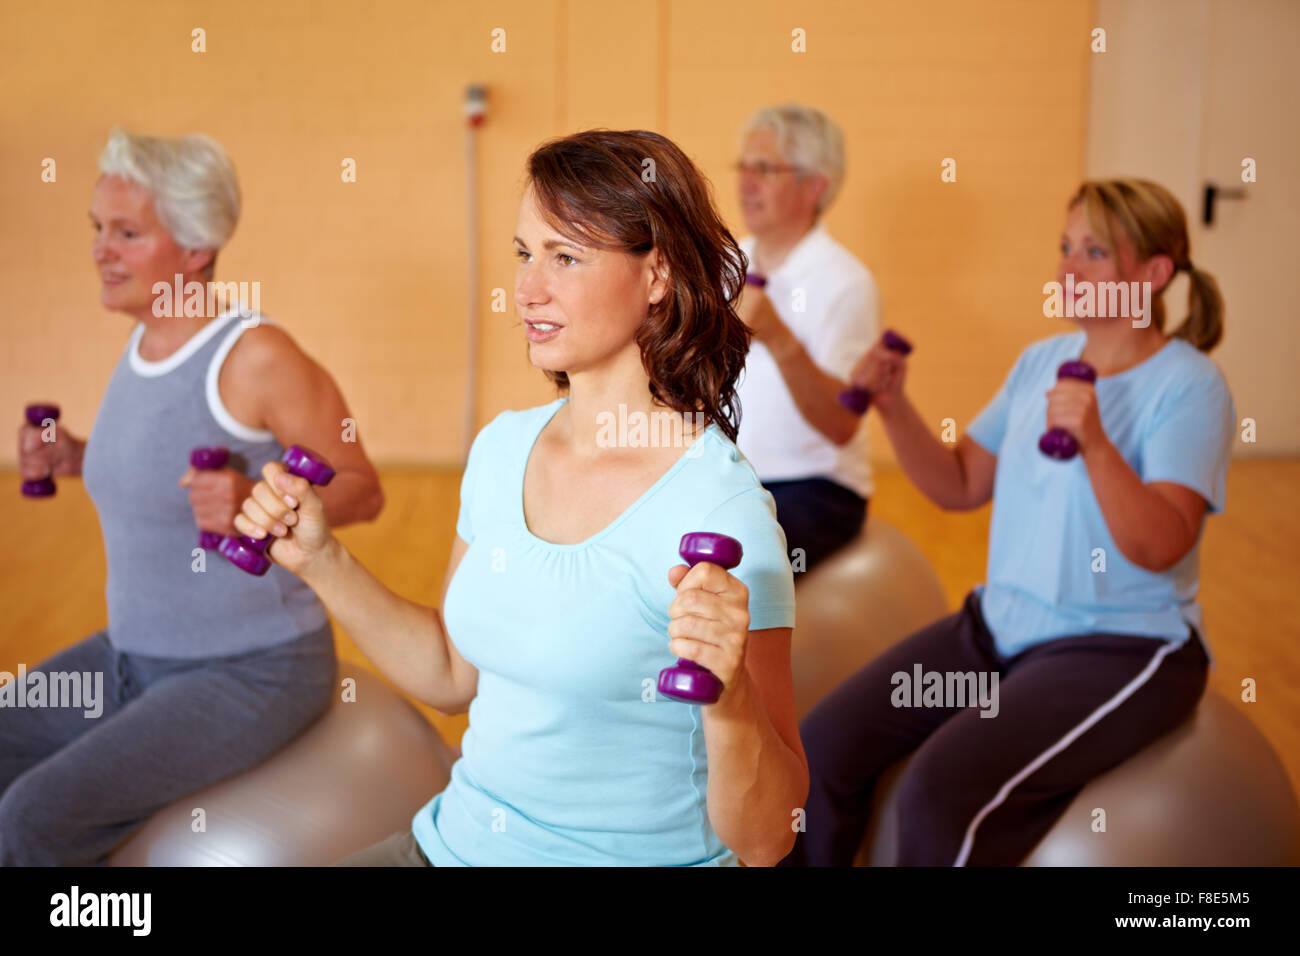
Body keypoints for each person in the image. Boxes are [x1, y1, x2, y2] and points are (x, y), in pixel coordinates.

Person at [233, 129, 807, 866]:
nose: (528, 289)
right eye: (523, 253)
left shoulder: (720, 515)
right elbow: (449, 674)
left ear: (657, 274)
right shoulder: (504, 449)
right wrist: (320, 559)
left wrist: (729, 702)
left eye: (566, 257)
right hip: (452, 845)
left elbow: (768, 840)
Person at [781, 178, 1234, 866]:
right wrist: (895, 406)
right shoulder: (1041, 363)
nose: (1069, 267)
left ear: (1154, 273)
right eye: (1065, 246)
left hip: (1122, 647)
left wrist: (1098, 445)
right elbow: (959, 482)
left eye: (1095, 251)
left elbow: (1163, 541)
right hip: (999, 628)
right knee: (826, 745)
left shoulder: (1189, 385)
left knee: (939, 792)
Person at [2, 127, 383, 865]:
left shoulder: (256, 356)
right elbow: (157, 477)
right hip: (131, 655)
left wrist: (255, 501)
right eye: (98, 229)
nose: (100, 249)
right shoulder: (144, 344)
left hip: (252, 669)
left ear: (196, 248)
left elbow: (365, 489)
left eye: (127, 232)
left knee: (34, 817)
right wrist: (73, 455)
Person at [731, 104, 880, 573]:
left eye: (765, 169)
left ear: (815, 185)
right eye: (743, 167)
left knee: (734, 568)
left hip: (816, 488)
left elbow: (841, 423)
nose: (746, 183)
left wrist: (779, 338)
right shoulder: (726, 261)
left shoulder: (845, 282)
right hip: (732, 477)